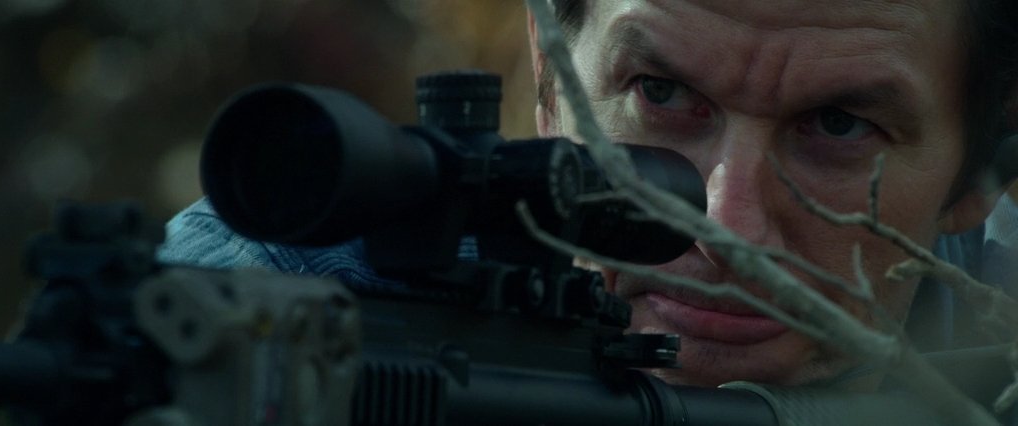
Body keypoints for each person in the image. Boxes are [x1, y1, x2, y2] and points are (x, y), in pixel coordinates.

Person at [159, 0, 1018, 394]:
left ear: (983, 170)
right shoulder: (272, 300)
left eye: (837, 124)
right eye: (660, 93)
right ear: (550, 79)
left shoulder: (996, 337)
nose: (725, 227)